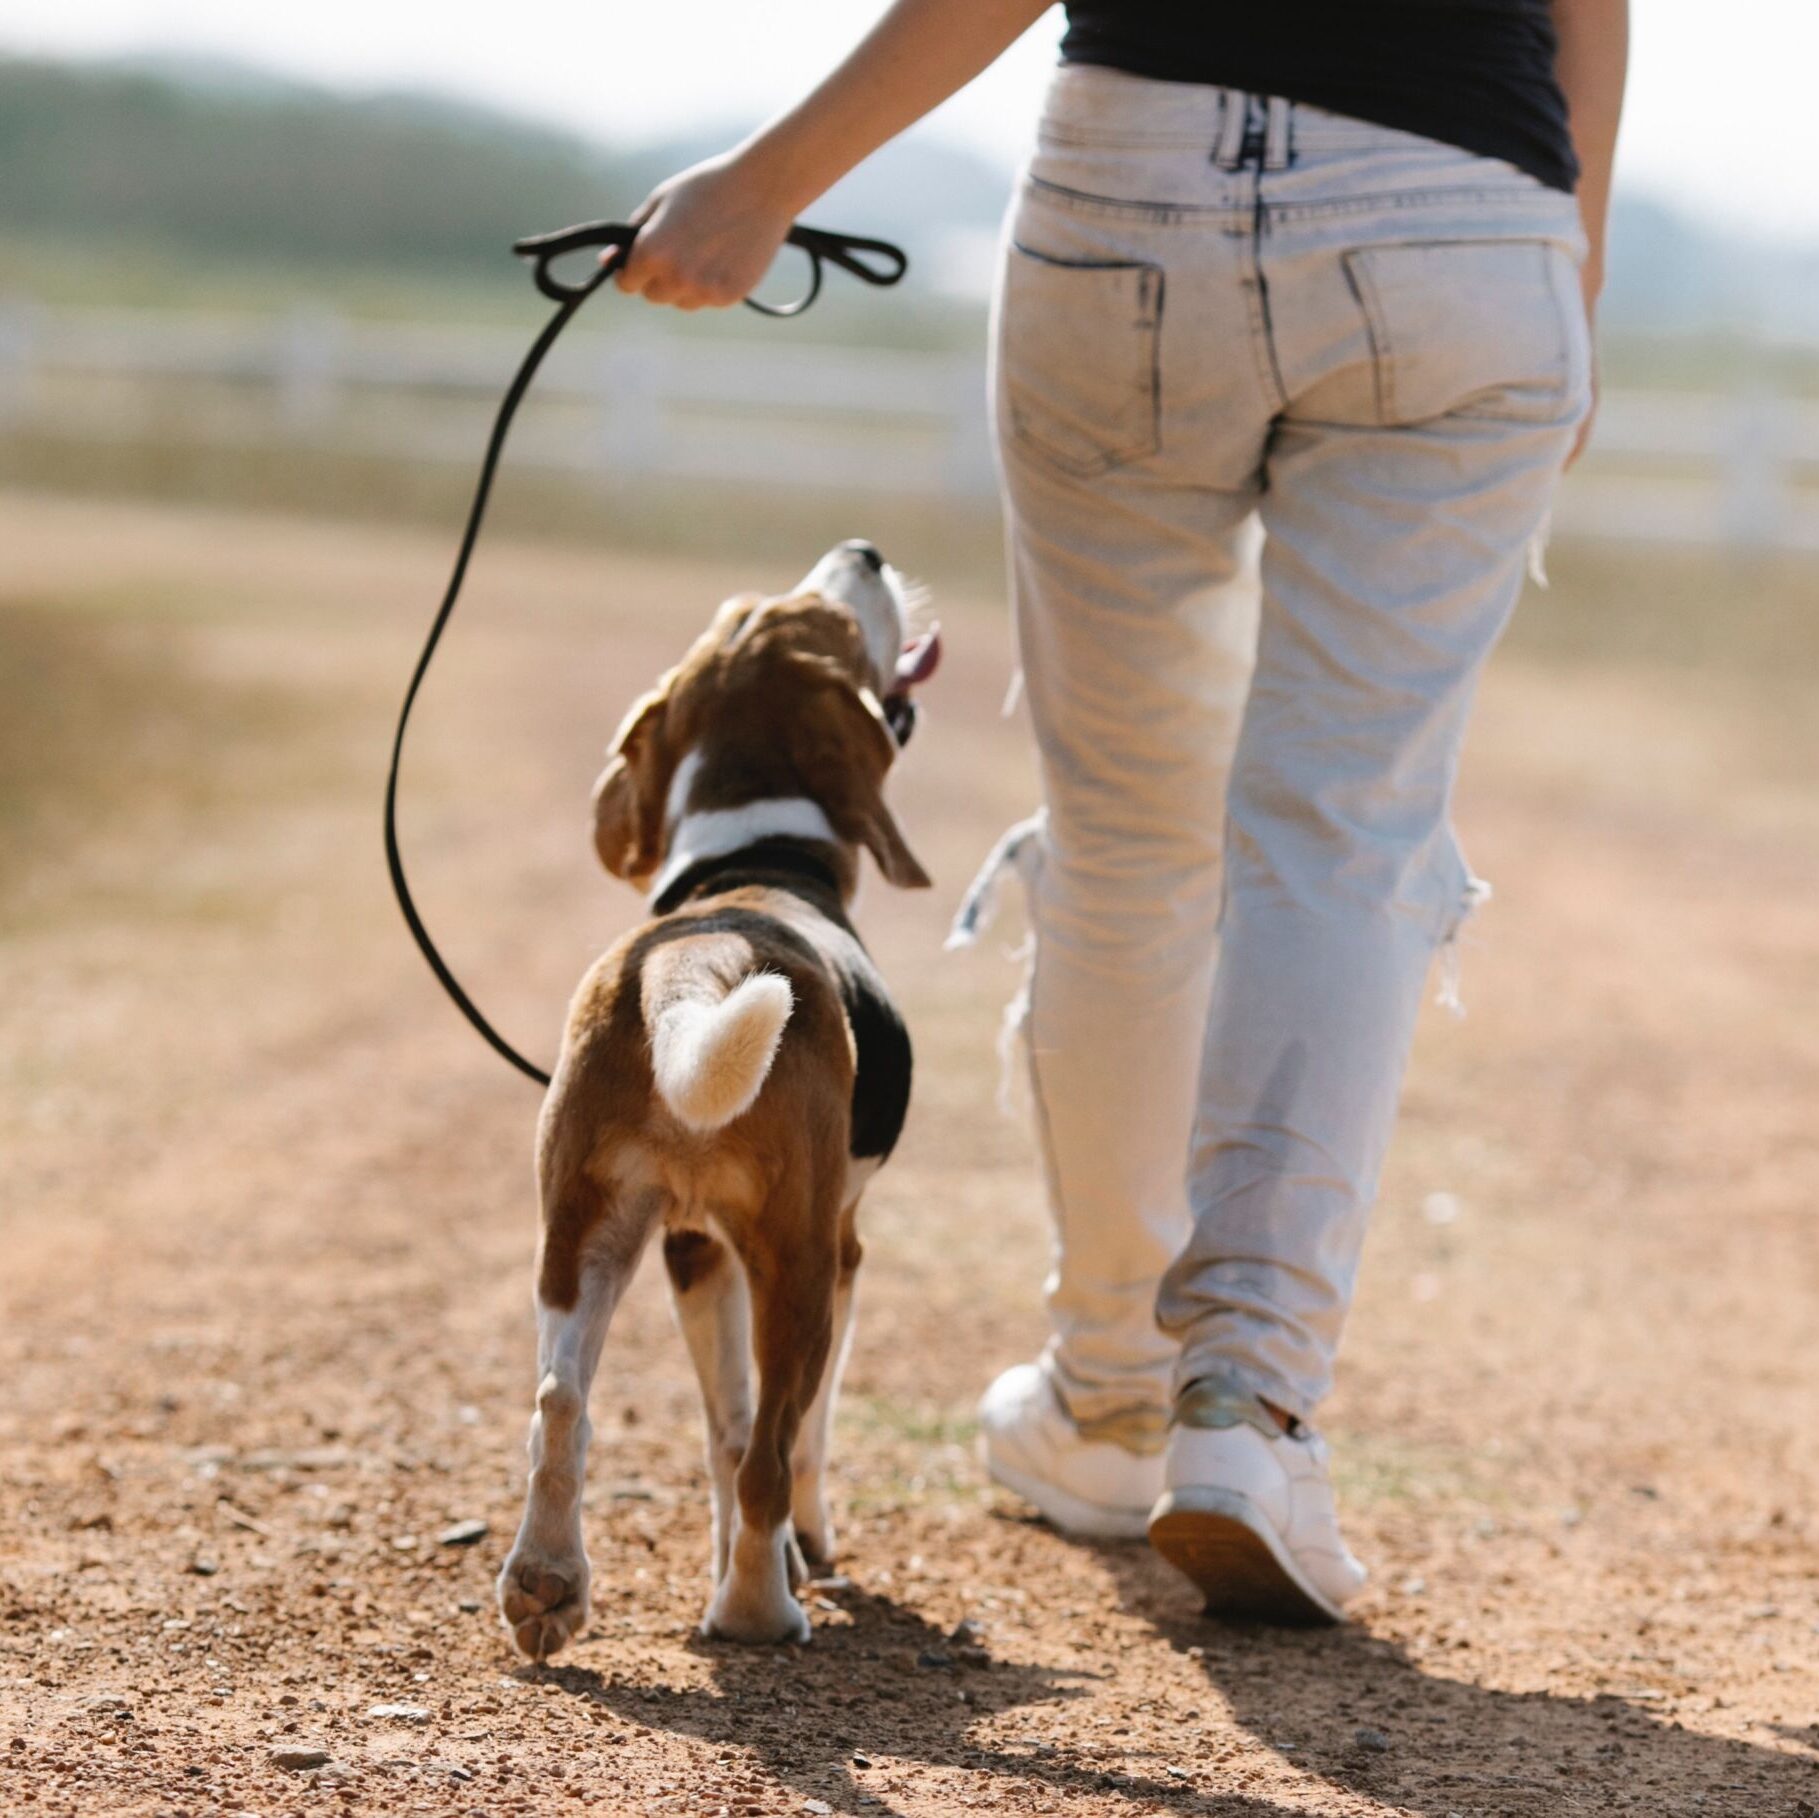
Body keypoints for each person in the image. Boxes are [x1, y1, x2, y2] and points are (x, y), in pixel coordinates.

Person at [611, 0, 1628, 1622]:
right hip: (1467, 216)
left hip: (1130, 190)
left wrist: (770, 178)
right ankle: (1246, 1405)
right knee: (1343, 836)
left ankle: (1108, 1394)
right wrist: (1567, 267)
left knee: (1124, 833)